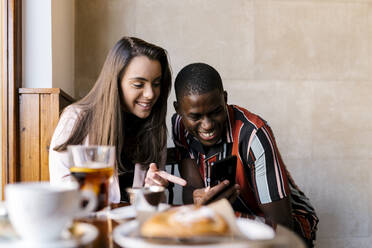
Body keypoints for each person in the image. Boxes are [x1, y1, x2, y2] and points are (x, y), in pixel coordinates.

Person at [171, 63, 318, 247]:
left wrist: (219, 214)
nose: (207, 125)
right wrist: (200, 203)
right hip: (228, 225)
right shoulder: (179, 126)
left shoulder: (253, 135)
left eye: (216, 111)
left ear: (224, 99)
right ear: (178, 110)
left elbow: (281, 225)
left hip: (286, 229)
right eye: (195, 117)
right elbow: (191, 188)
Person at [49, 36, 186, 204]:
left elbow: (145, 207)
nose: (150, 94)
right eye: (138, 85)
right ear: (115, 83)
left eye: (156, 83)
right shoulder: (76, 119)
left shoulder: (154, 128)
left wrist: (152, 189)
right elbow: (61, 196)